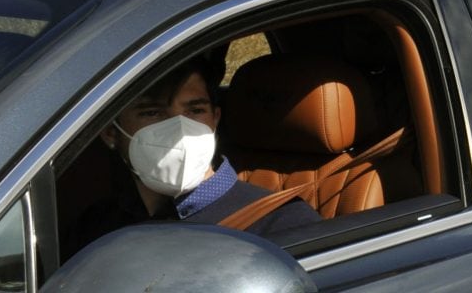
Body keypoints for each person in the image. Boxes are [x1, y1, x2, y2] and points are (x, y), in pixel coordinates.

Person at [71, 62, 320, 252]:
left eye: (195, 110)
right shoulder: (100, 225)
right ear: (111, 133)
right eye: (153, 112)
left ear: (215, 119)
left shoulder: (283, 223)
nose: (178, 127)